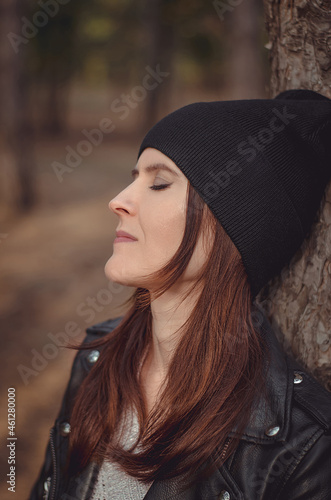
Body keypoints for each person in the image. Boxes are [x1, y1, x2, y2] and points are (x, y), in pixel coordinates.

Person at [29, 89, 331, 500]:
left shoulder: (302, 444)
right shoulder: (97, 361)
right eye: (133, 178)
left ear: (232, 229)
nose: (118, 201)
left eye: (159, 183)